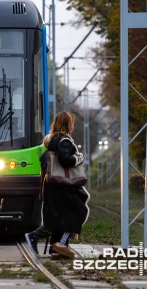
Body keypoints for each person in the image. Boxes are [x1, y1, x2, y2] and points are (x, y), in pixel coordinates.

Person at [24, 111, 90, 259]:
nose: (73, 126)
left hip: (54, 184)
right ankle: (59, 243)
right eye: (72, 123)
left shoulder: (53, 139)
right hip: (64, 185)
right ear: (68, 124)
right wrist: (78, 157)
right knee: (77, 212)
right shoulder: (64, 140)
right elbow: (65, 160)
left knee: (58, 218)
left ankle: (55, 247)